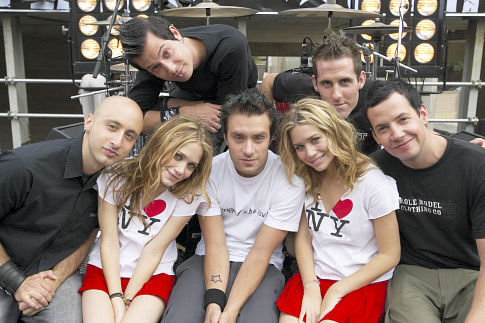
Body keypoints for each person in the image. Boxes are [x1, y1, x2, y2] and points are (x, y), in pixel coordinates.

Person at [160, 89, 305, 323]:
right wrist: (214, 302)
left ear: (271, 138)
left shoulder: (290, 180)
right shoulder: (209, 171)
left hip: (263, 265)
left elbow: (260, 252)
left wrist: (230, 311)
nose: (248, 150)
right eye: (238, 137)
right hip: (207, 258)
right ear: (225, 138)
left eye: (258, 138)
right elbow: (215, 244)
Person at [0, 96, 144, 322]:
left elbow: (90, 235)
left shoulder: (115, 185)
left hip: (54, 275)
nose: (117, 141)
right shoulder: (24, 166)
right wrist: (17, 282)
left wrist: (55, 279)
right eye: (112, 127)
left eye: (129, 136)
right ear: (89, 122)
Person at [365, 79, 485, 323]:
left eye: (403, 119)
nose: (397, 134)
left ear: (422, 114)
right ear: (375, 135)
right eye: (384, 128)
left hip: (471, 274)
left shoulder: (476, 165)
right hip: (412, 274)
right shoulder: (373, 170)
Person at [276, 98, 400, 323]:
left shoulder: (373, 183)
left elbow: (390, 255)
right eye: (300, 147)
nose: (310, 153)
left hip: (360, 282)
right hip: (315, 277)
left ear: (333, 132)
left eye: (315, 140)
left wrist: (337, 291)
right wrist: (311, 287)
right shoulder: (307, 177)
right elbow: (304, 238)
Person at [80, 115, 213, 323]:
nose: (181, 170)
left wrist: (128, 299)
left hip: (153, 275)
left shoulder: (188, 195)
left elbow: (154, 250)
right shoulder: (116, 177)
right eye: (178, 156)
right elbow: (109, 241)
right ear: (161, 144)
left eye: (191, 165)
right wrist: (116, 298)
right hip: (105, 269)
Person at [118, 16, 258, 143]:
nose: (170, 69)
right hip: (191, 98)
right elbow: (132, 117)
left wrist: (169, 107)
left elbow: (226, 117)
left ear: (175, 33)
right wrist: (185, 112)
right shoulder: (149, 58)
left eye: (167, 53)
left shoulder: (230, 46)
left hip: (241, 99)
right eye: (156, 68)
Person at [260, 34, 378, 155]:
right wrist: (269, 133)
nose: (336, 95)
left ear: (361, 80)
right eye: (327, 83)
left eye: (345, 82)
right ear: (315, 83)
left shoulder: (378, 96)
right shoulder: (304, 89)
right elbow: (268, 82)